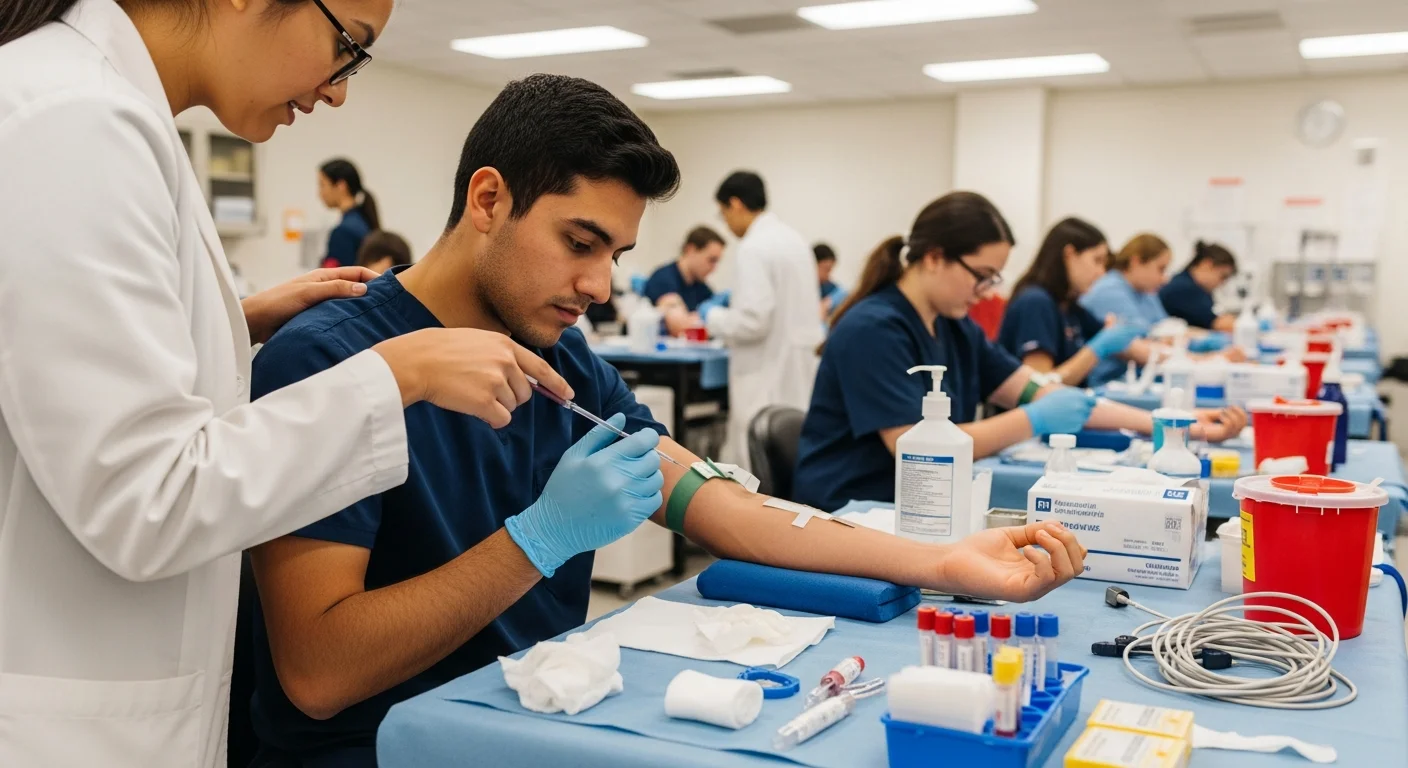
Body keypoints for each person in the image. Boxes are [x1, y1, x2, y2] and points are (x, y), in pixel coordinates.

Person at [246, 75, 1090, 767]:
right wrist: (535, 541)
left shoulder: (563, 362)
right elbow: (320, 672)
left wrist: (943, 558)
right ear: (489, 198)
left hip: (531, 716)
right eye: (580, 242)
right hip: (387, 747)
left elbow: (722, 507)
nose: (601, 286)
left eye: (615, 255)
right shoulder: (332, 363)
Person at [0, 3, 578, 767]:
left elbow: (58, 367)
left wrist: (226, 324)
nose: (338, 91)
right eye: (348, 46)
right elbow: (145, 497)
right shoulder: (75, 121)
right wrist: (396, 373)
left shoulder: (91, 108)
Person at [793, 193, 1246, 512]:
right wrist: (1034, 420)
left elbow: (1036, 390)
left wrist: (1169, 428)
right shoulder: (874, 329)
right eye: (983, 276)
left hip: (918, 504)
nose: (988, 291)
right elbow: (918, 450)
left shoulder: (955, 326)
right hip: (852, 510)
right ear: (934, 257)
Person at [703, 171, 824, 468]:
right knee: (789, 457)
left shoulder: (753, 248)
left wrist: (713, 316)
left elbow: (753, 322)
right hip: (797, 373)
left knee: (758, 466)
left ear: (735, 205)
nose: (727, 224)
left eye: (723, 214)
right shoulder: (794, 240)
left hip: (765, 375)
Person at [997, 218, 1147, 387]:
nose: (1101, 273)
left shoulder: (1070, 308)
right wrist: (1097, 348)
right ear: (1069, 255)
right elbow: (1038, 386)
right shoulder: (1035, 303)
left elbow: (1127, 347)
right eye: (1097, 260)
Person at [1081, 234, 1241, 386]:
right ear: (1136, 262)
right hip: (1109, 381)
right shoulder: (1109, 291)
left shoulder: (1145, 293)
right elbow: (1139, 348)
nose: (1165, 278)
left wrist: (1209, 341)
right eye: (1161, 269)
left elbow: (1166, 332)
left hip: (1139, 378)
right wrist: (1205, 359)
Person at [645, 225, 724, 336]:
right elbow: (679, 326)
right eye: (711, 260)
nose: (714, 268)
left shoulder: (702, 288)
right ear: (690, 250)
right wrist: (705, 319)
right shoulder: (663, 279)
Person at [1160, 241, 1238, 331]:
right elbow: (1220, 324)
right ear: (1207, 264)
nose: (1223, 283)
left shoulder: (1200, 289)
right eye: (1223, 276)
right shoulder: (1183, 288)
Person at [319, 157, 379, 268]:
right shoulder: (362, 221)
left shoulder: (344, 232)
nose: (320, 193)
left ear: (341, 185)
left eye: (322, 185)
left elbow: (335, 278)